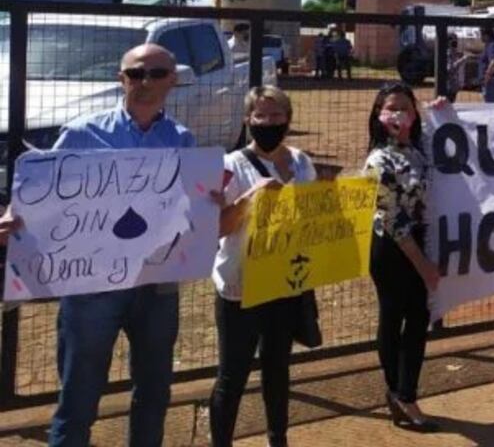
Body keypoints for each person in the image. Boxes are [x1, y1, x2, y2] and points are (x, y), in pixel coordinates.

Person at [0, 44, 195, 446]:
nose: (145, 82)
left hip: (156, 287)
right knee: (78, 401)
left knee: (155, 393)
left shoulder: (183, 139)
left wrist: (210, 205)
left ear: (172, 81)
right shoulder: (82, 133)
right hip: (92, 289)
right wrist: (16, 218)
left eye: (157, 73)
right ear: (120, 78)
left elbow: (188, 207)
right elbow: (42, 197)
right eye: (135, 73)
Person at [208, 85, 315, 447]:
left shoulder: (302, 162)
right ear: (248, 120)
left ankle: (278, 438)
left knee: (277, 368)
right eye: (261, 116)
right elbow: (217, 227)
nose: (269, 123)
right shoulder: (230, 165)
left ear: (288, 119)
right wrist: (249, 199)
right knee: (232, 375)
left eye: (276, 116)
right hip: (240, 284)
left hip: (285, 281)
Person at [364, 81, 443, 432]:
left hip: (418, 242)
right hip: (393, 249)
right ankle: (401, 394)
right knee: (394, 318)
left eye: (405, 108)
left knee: (417, 320)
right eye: (390, 108)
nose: (398, 115)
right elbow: (390, 217)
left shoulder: (419, 148)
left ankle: (402, 392)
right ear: (379, 116)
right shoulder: (379, 159)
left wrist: (442, 110)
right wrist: (423, 264)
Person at [446, 34, 467, 103]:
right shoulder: (448, 53)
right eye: (452, 40)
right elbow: (450, 69)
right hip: (449, 86)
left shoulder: (455, 53)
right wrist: (462, 60)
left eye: (455, 40)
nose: (455, 42)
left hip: (454, 85)